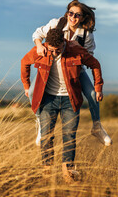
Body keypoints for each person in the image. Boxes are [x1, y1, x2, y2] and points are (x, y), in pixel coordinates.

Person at [21, 28, 104, 183]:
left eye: (57, 49)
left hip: (70, 100)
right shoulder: (42, 49)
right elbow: (24, 62)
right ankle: (47, 173)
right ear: (47, 45)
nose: (53, 53)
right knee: (46, 136)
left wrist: (98, 88)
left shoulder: (75, 50)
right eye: (51, 50)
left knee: (69, 137)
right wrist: (27, 86)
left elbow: (95, 64)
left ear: (63, 43)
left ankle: (68, 174)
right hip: (48, 100)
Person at [30, 0, 112, 147]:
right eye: (70, 13)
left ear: (83, 17)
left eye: (77, 15)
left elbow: (90, 59)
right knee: (30, 92)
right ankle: (40, 125)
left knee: (93, 95)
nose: (73, 17)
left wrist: (77, 49)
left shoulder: (86, 35)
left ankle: (97, 127)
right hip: (51, 68)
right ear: (67, 13)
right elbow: (36, 34)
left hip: (75, 71)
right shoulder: (56, 24)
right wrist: (38, 46)